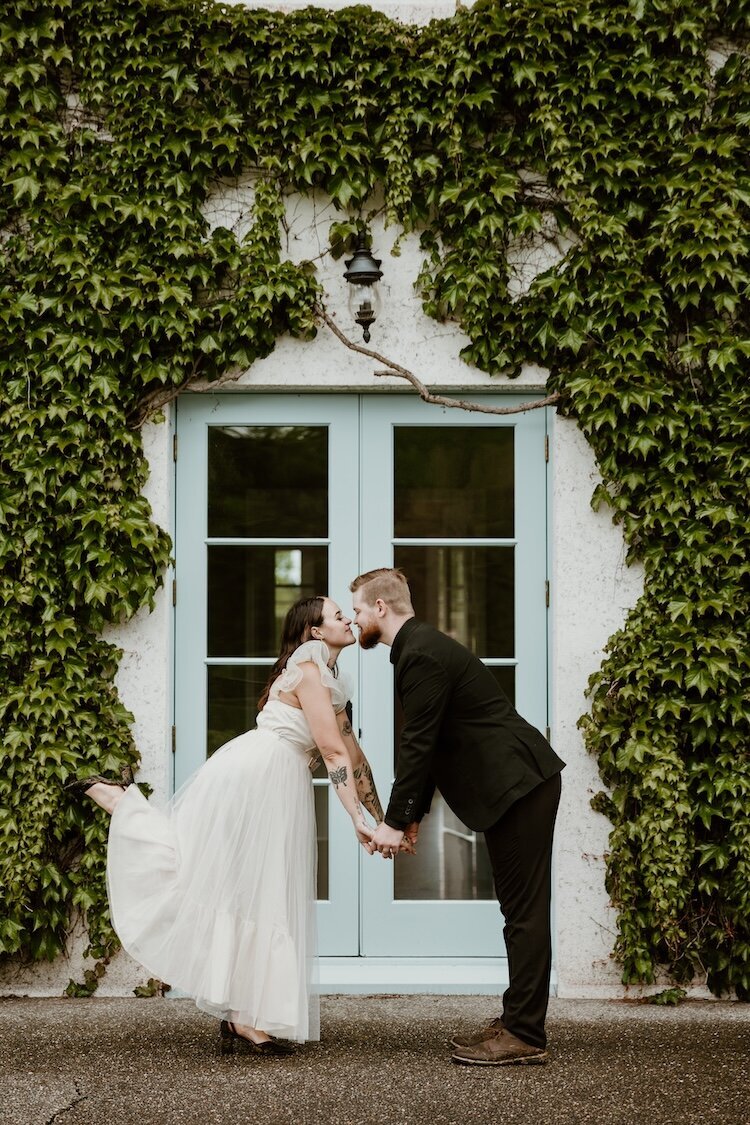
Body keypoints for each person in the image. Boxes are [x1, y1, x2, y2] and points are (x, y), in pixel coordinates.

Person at [66, 596, 383, 1054]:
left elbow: (354, 759)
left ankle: (244, 1014)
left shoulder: (334, 680)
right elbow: (331, 754)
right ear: (316, 632)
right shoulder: (308, 666)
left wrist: (385, 816)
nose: (349, 619)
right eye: (338, 615)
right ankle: (121, 803)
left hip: (282, 780)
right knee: (231, 880)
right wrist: (356, 818)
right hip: (258, 773)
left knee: (260, 888)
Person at [350, 568, 565, 1067]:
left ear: (381, 607)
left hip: (519, 785)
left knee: (524, 912)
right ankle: (518, 1019)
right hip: (515, 785)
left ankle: (525, 1033)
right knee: (519, 910)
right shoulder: (417, 648)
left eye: (358, 608)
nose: (356, 617)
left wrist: (392, 822)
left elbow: (418, 744)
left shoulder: (420, 653)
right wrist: (412, 816)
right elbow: (436, 740)